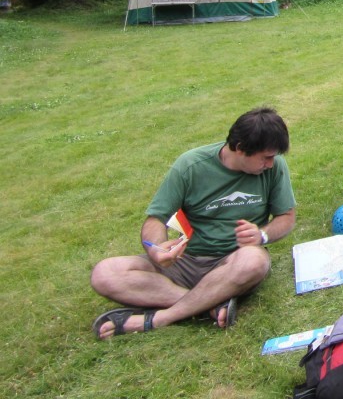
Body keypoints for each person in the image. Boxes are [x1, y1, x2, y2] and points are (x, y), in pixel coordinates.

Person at [90, 107, 296, 339]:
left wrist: (262, 235)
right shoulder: (191, 166)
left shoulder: (275, 168)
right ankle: (210, 304)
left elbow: (286, 218)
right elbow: (156, 218)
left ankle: (159, 319)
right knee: (104, 274)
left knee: (255, 260)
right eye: (265, 157)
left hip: (231, 263)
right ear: (240, 149)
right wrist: (157, 249)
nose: (270, 164)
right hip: (185, 261)